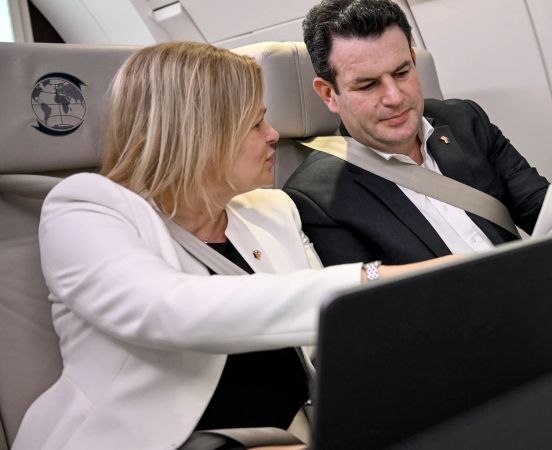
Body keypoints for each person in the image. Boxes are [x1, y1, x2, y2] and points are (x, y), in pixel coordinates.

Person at [12, 42, 445, 450]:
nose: (274, 134)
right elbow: (170, 310)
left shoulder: (272, 211)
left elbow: (329, 345)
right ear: (197, 133)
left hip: (290, 433)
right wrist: (370, 278)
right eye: (255, 122)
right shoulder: (86, 209)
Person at [282, 0, 552, 266]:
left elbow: (542, 211)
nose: (394, 97)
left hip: (547, 301)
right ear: (329, 94)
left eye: (402, 72)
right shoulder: (316, 197)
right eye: (368, 85)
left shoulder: (464, 121)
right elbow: (379, 317)